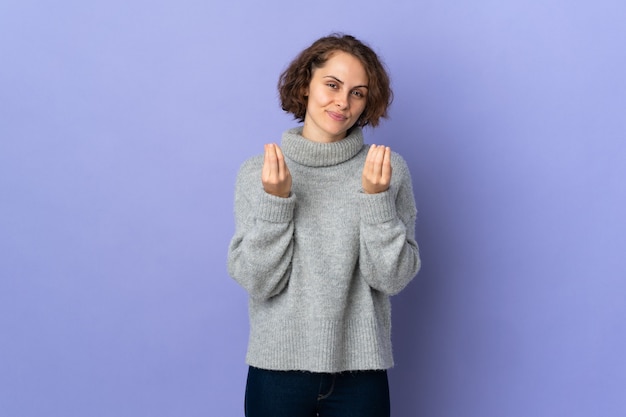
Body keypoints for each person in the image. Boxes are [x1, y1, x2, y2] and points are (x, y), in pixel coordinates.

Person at [227, 33, 421, 417]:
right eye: (332, 85)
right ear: (305, 85)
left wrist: (377, 201)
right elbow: (257, 280)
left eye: (358, 93)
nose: (342, 102)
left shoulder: (386, 170)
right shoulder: (259, 173)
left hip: (360, 374)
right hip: (276, 371)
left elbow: (393, 278)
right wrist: (276, 203)